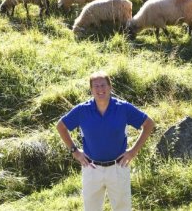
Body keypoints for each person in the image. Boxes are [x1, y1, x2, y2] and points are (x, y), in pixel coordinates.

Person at [57, 71, 155, 211]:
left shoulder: (123, 108)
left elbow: (149, 124)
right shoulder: (82, 110)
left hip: (118, 168)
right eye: (95, 86)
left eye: (103, 85)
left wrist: (133, 151)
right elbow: (61, 126)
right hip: (91, 169)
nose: (100, 89)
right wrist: (75, 151)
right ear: (91, 90)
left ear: (110, 87)